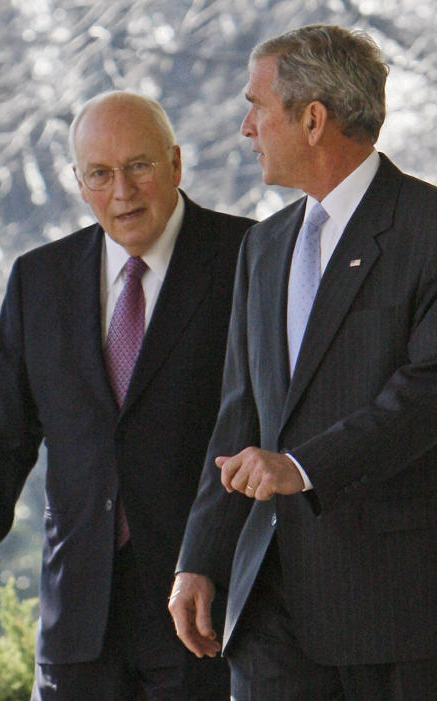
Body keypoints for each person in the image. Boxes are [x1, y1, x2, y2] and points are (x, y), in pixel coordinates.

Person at [0, 91, 253, 700]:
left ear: (176, 164)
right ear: (79, 182)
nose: (123, 191)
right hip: (77, 623)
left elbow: (264, 425)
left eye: (139, 166)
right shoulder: (38, 279)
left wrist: (210, 558)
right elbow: (2, 437)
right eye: (101, 174)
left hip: (206, 612)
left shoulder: (249, 258)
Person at [170, 24, 437, 699]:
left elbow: (425, 394)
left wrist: (302, 467)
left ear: (313, 118)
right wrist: (199, 559)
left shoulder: (427, 227)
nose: (245, 127)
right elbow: (241, 415)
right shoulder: (264, 247)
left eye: (257, 106)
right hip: (267, 603)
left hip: (392, 607)